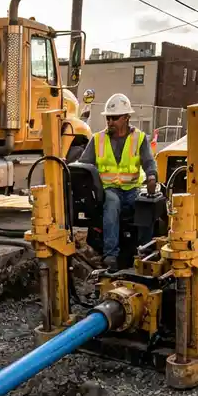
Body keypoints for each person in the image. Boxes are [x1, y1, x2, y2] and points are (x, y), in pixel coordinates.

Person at [79, 93, 158, 269]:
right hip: (109, 190)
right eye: (108, 118)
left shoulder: (139, 138)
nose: (110, 122)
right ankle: (110, 256)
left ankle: (145, 252)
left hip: (132, 190)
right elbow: (83, 166)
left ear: (126, 118)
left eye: (114, 118)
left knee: (147, 204)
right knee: (112, 203)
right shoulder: (97, 139)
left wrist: (152, 176)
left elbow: (148, 161)